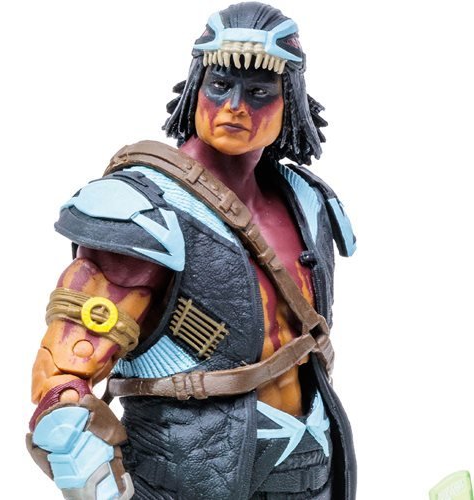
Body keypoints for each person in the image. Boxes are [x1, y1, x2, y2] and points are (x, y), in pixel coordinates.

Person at [27, 2, 357, 499]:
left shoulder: (306, 201)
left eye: (259, 92)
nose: (234, 106)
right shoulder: (143, 211)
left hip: (313, 462)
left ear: (289, 100)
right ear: (196, 87)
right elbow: (63, 382)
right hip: (186, 471)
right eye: (220, 85)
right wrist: (85, 464)